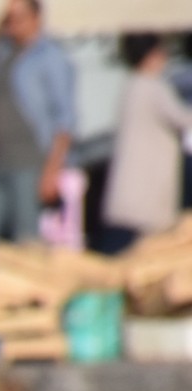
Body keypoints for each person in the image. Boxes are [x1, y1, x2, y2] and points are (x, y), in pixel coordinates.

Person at [0, 0, 74, 258]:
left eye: (19, 18)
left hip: (29, 161)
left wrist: (53, 167)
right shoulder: (3, 55)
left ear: (36, 18)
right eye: (9, 19)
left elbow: (66, 117)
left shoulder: (50, 56)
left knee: (26, 238)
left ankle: (28, 295)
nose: (13, 25)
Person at [101, 33, 192, 253]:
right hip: (145, 195)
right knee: (144, 251)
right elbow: (183, 118)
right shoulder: (153, 88)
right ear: (151, 55)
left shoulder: (131, 85)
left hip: (131, 194)